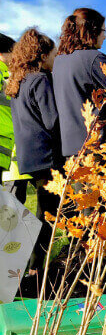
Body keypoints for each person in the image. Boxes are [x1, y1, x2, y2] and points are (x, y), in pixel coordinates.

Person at [6, 28, 62, 274]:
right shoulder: (40, 79)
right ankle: (35, 269)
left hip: (28, 157)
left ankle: (34, 267)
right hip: (47, 155)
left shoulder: (18, 81)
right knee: (48, 214)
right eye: (53, 54)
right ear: (42, 55)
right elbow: (52, 120)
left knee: (45, 209)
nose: (55, 58)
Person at [52, 8, 106, 160]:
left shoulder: (59, 62)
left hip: (70, 149)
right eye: (103, 31)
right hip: (97, 146)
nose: (104, 36)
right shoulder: (95, 59)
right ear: (93, 31)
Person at [0, 33, 31, 203]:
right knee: (9, 213)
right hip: (7, 149)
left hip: (6, 152)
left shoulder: (8, 76)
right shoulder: (4, 75)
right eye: (13, 53)